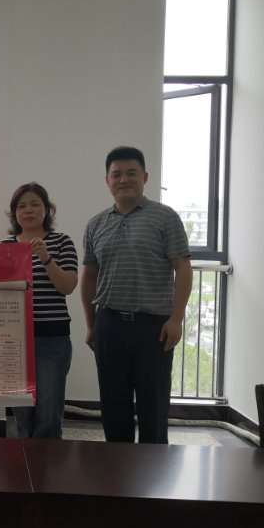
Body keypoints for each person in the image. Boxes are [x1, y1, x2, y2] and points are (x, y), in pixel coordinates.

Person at [81, 146, 192, 443]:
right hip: (109, 324)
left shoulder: (165, 217)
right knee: (113, 404)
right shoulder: (95, 224)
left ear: (145, 177)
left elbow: (183, 268)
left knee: (153, 405)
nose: (124, 180)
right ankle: (117, 467)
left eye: (131, 173)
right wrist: (91, 324)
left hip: (153, 326)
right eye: (116, 174)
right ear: (107, 181)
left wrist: (176, 319)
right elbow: (89, 277)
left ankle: (152, 469)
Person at [1, 183, 78, 439]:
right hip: (14, 340)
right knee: (22, 415)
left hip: (52, 339)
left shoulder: (62, 242)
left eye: (35, 204)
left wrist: (46, 258)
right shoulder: (5, 246)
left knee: (48, 413)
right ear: (14, 213)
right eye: (21, 206)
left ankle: (47, 462)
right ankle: (25, 461)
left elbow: (67, 286)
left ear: (46, 210)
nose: (28, 210)